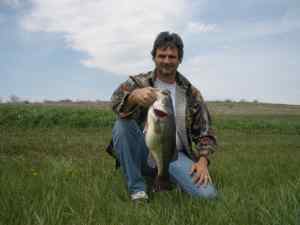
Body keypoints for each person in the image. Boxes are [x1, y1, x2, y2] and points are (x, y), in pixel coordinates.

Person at [108, 31, 217, 202]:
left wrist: (203, 161)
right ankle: (138, 190)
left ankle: (164, 177)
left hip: (174, 155)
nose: (166, 61)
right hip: (142, 152)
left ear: (179, 59)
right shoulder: (138, 82)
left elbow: (206, 132)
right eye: (162, 55)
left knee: (207, 196)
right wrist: (133, 96)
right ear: (154, 57)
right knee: (122, 125)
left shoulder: (191, 93)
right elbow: (115, 103)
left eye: (172, 56)